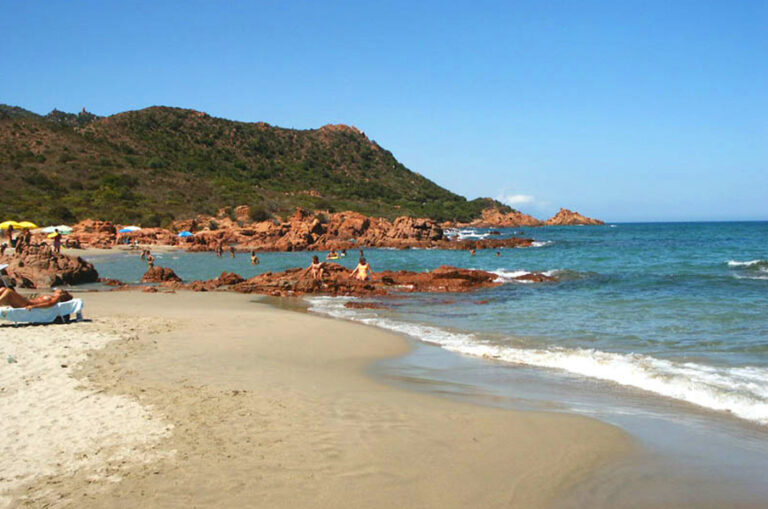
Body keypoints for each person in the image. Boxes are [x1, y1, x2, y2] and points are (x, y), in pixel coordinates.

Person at [0, 288, 72, 310]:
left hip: (26, 304)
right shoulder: (54, 297)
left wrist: (33, 306)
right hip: (25, 302)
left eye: (58, 290)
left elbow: (49, 304)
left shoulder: (57, 298)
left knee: (9, 291)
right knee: (3, 289)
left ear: (62, 293)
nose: (56, 290)